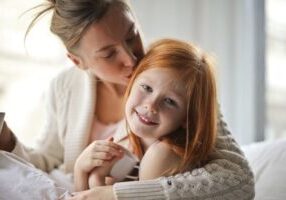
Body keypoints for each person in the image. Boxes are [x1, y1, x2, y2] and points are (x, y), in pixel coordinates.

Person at [0, 0, 255, 199]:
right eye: (109, 54)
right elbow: (47, 161)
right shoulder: (65, 86)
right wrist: (8, 141)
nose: (132, 59)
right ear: (78, 61)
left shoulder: (172, 76)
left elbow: (239, 180)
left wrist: (118, 195)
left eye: (131, 35)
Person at [77, 38, 218, 189]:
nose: (151, 106)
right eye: (147, 88)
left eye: (170, 101)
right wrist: (80, 169)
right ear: (131, 83)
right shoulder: (130, 140)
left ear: (187, 118)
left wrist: (95, 179)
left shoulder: (162, 156)